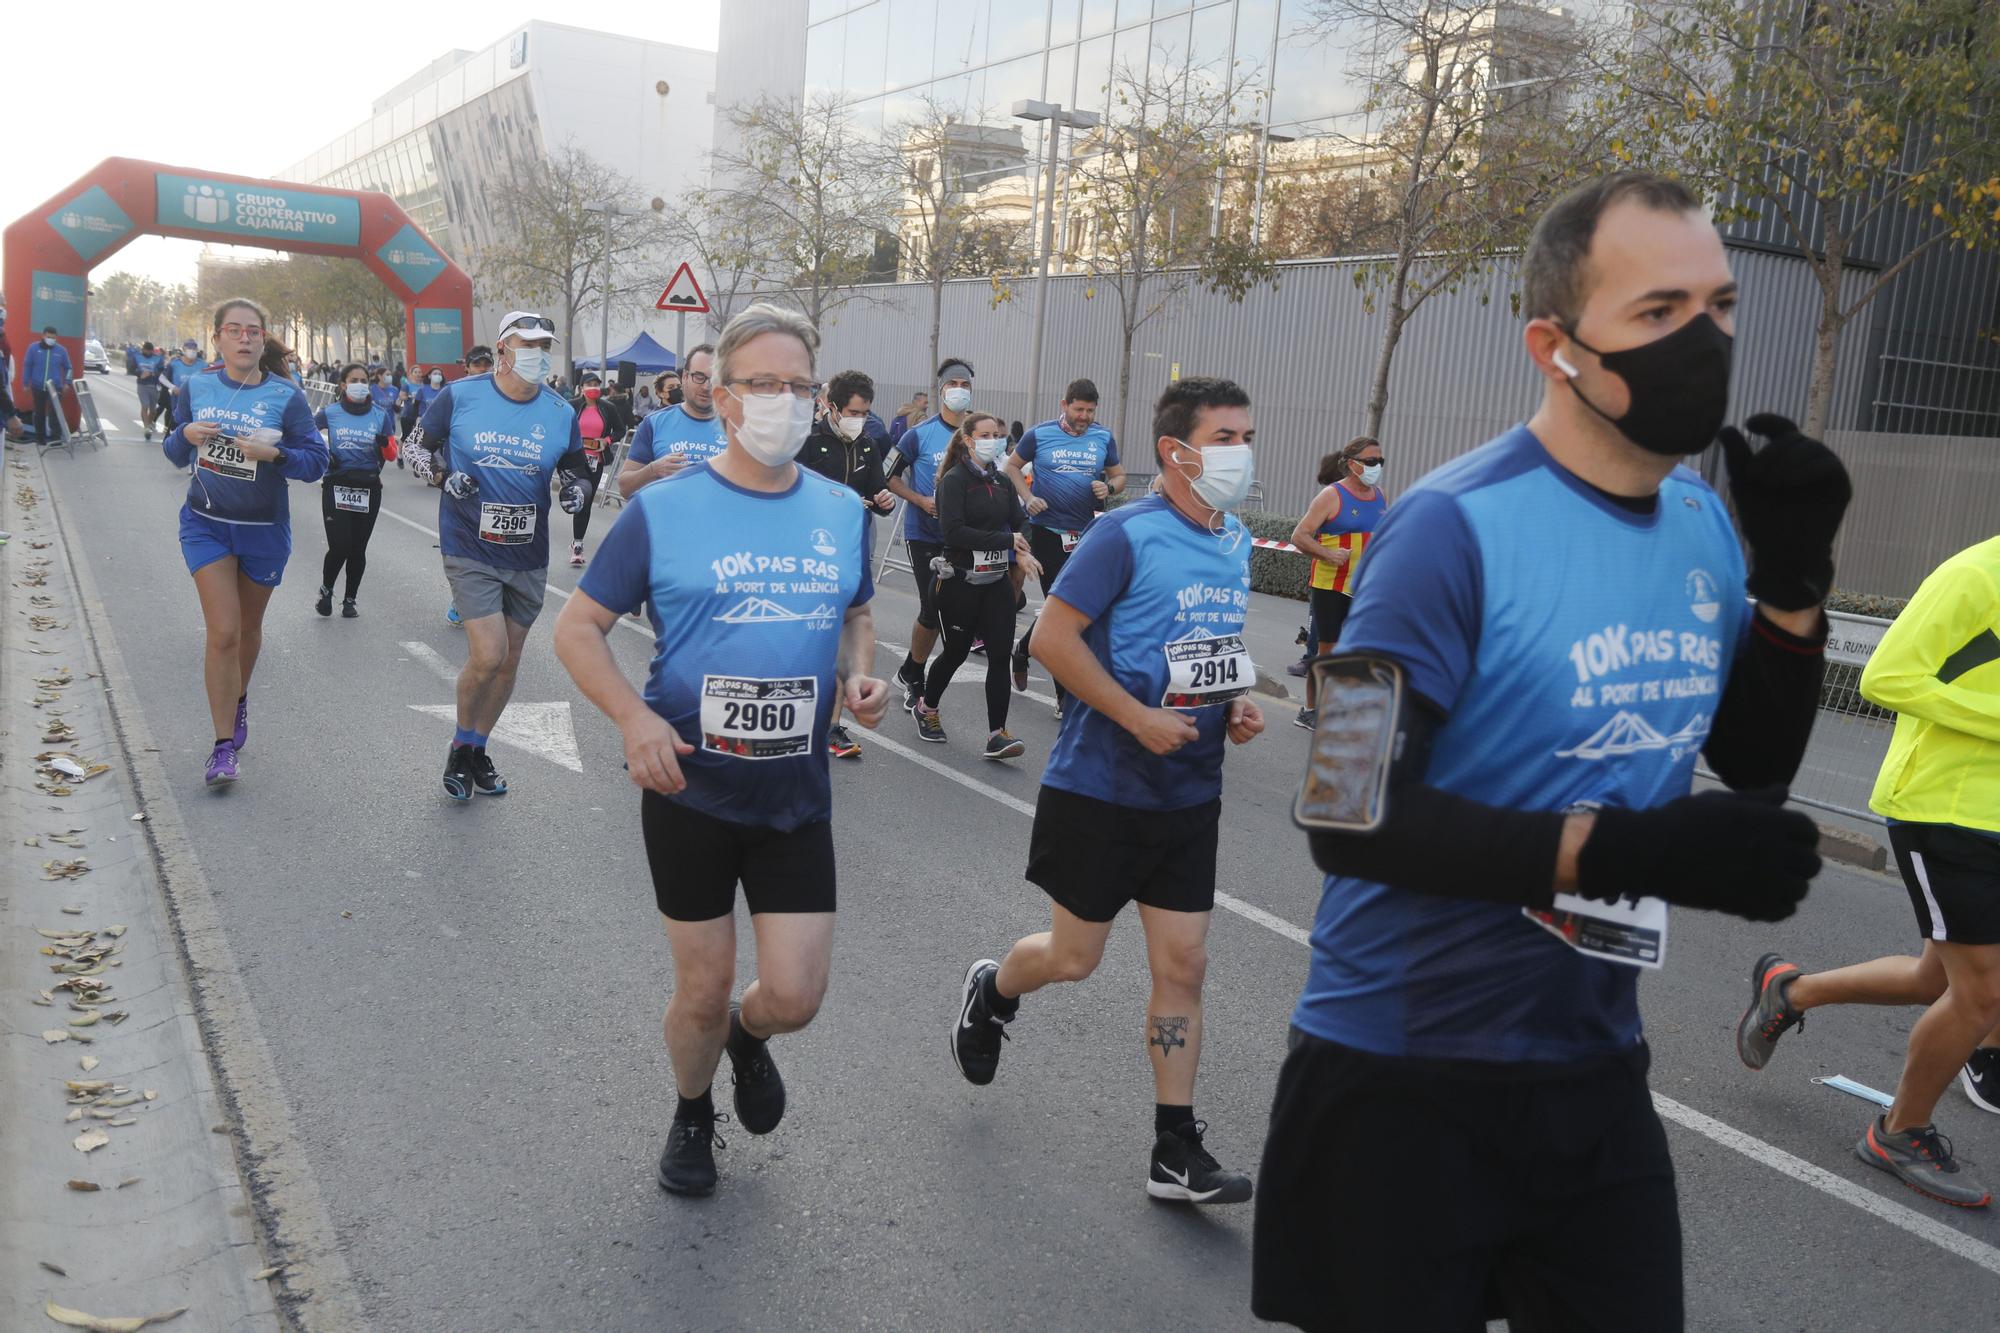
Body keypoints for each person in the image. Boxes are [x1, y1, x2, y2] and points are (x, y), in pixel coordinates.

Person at [1250, 172, 1852, 1331]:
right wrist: (1634, 850)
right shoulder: (1446, 528)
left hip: (1589, 1071)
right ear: (1553, 344)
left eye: (1720, 308)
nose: (1706, 341)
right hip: (1399, 1078)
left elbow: (1752, 758)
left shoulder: (1697, 523)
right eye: (1659, 312)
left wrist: (1789, 588)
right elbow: (1342, 809)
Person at [552, 302, 889, 1198]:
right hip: (690, 791)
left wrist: (861, 674)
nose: (784, 399)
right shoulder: (663, 510)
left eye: (799, 385)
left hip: (794, 801)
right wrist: (634, 719)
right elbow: (579, 629)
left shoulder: (841, 509)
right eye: (763, 383)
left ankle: (750, 1037)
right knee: (700, 988)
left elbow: (856, 608)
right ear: (725, 397)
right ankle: (693, 1109)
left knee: (795, 996)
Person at [951, 377, 1267, 1204]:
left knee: (1185, 964)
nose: (1243, 451)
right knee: (1075, 957)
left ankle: (1173, 1146)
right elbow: (1053, 639)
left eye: (1246, 435)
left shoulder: (1232, 539)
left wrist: (1230, 700)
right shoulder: (1124, 534)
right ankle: (992, 990)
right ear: (1178, 451)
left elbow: (1208, 645)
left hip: (1190, 790)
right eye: (1228, 437)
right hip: (1103, 786)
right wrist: (1136, 716)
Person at [1736, 533, 2000, 1208]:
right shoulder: (1975, 573)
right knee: (1983, 993)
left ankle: (1792, 992)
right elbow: (1886, 675)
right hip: (1947, 813)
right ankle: (1899, 1130)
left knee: (1933, 978)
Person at [409, 310, 594, 801]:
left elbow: (578, 470)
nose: (537, 354)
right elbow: (415, 449)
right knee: (487, 653)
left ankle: (477, 748)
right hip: (469, 542)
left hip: (528, 551)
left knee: (509, 662)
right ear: (504, 347)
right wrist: (443, 476)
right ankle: (458, 747)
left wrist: (578, 489)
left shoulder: (560, 412)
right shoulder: (461, 394)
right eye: (527, 343)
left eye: (544, 345)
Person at [161, 297, 329, 786]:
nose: (243, 338)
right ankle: (220, 749)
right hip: (206, 524)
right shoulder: (196, 386)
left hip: (264, 530)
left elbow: (316, 462)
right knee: (223, 633)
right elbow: (174, 452)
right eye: (233, 330)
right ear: (217, 338)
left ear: (262, 339)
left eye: (252, 331)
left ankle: (237, 700)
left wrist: (273, 454)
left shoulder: (287, 396)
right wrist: (186, 434)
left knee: (249, 631)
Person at [916, 412, 1041, 758]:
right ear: (968, 441)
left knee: (999, 655)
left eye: (997, 435)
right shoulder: (953, 482)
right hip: (958, 582)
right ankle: (926, 707)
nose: (993, 441)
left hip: (995, 582)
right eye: (985, 435)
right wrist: (1006, 540)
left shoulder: (1001, 482)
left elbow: (1021, 523)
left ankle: (996, 734)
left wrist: (1022, 551)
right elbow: (954, 532)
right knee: (955, 653)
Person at [1005, 378, 1125, 718]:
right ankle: (1064, 699)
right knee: (1063, 616)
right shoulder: (1039, 434)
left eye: (1090, 410)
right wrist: (1027, 498)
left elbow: (1118, 475)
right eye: (1079, 409)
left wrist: (1109, 488)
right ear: (1064, 405)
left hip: (1086, 535)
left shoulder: (1102, 437)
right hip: (1046, 533)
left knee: (1075, 616)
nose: (1084, 416)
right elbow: (1011, 466)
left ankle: (1023, 650)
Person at [801, 369, 897, 761]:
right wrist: (837, 501)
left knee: (845, 628)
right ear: (833, 407)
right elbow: (793, 491)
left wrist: (884, 499)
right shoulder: (808, 442)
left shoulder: (868, 445)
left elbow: (877, 487)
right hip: (808, 550)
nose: (861, 419)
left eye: (866, 412)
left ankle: (833, 727)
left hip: (851, 547)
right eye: (854, 411)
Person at [885, 360, 974, 709]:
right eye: (952, 383)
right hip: (923, 534)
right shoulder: (918, 434)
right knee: (932, 606)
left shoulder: (978, 433)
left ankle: (909, 668)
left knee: (952, 613)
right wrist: (919, 499)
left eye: (964, 384)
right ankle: (917, 680)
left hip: (962, 538)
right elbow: (888, 475)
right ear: (941, 390)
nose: (959, 390)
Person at [1287, 436, 1388, 729]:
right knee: (1327, 652)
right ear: (1352, 464)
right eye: (1371, 461)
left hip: (1365, 588)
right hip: (1331, 586)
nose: (1376, 466)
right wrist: (1329, 554)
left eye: (1380, 461)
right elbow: (1299, 536)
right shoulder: (1332, 495)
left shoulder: (1380, 495)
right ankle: (1309, 711)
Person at [313, 363, 396, 618]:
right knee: (340, 545)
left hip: (368, 486)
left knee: (358, 548)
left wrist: (384, 445)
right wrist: (325, 454)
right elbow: (306, 435)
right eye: (354, 380)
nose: (360, 384)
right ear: (343, 384)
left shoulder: (381, 415)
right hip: (337, 483)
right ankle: (326, 591)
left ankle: (350, 600)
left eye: (364, 380)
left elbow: (392, 455)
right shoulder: (330, 412)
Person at [618, 344, 725, 499]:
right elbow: (625, 489)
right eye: (699, 377)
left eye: (714, 379)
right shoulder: (654, 423)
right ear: (685, 377)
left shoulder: (739, 428)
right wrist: (653, 470)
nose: (706, 386)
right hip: (665, 521)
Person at [567, 371, 628, 566]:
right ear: (582, 388)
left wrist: (607, 441)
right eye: (589, 384)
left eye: (596, 384)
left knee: (586, 502)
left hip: (596, 461)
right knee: (580, 497)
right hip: (576, 460)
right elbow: (562, 428)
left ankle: (577, 543)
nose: (593, 387)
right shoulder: (574, 406)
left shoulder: (608, 408)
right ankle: (577, 545)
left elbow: (620, 430)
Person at [23, 326, 73, 444]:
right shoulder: (33, 348)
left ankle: (56, 438)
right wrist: (25, 383)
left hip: (55, 388)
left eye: (54, 338)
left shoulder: (61, 350)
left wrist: (68, 382)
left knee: (54, 413)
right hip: (38, 386)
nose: (51, 339)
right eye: (49, 337)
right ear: (43, 336)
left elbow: (68, 367)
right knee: (39, 413)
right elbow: (27, 365)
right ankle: (40, 438)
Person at [161, 340, 204, 434]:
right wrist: (173, 387)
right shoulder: (175, 364)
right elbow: (162, 378)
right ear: (184, 350)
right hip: (178, 402)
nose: (192, 351)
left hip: (198, 402)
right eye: (189, 348)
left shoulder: (203, 365)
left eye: (194, 349)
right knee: (178, 428)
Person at [135, 341, 166, 439]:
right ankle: (146, 428)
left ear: (152, 351)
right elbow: (132, 368)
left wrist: (153, 373)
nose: (147, 352)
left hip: (154, 385)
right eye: (145, 350)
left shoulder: (158, 359)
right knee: (145, 406)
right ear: (143, 350)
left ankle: (149, 423)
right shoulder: (138, 357)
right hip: (142, 385)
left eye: (149, 351)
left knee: (153, 409)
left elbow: (162, 371)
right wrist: (140, 374)